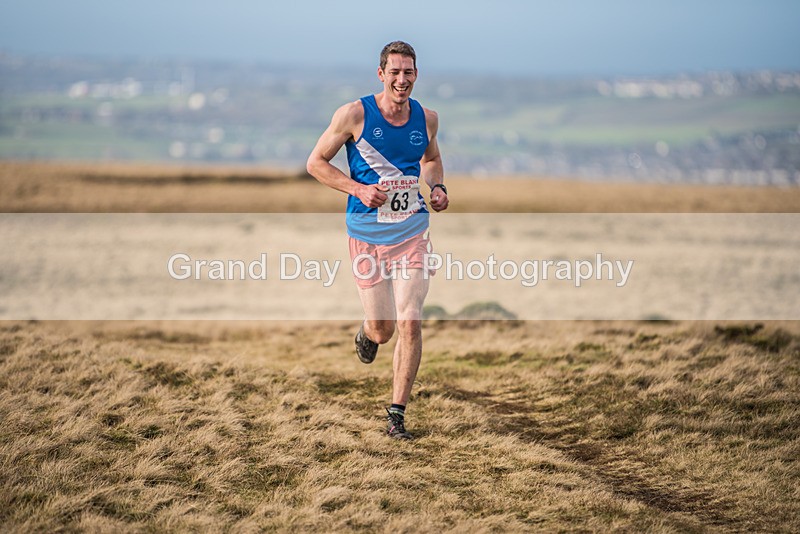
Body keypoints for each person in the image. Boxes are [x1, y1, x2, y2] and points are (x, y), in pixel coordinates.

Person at [306, 41, 448, 440]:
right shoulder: (354, 114)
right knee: (384, 330)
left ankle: (396, 415)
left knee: (410, 320)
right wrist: (357, 189)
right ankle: (368, 332)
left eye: (409, 72)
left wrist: (437, 187)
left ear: (416, 75)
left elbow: (431, 160)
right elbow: (315, 163)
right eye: (395, 72)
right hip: (366, 236)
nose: (402, 80)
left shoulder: (427, 118)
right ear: (381, 74)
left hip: (412, 233)